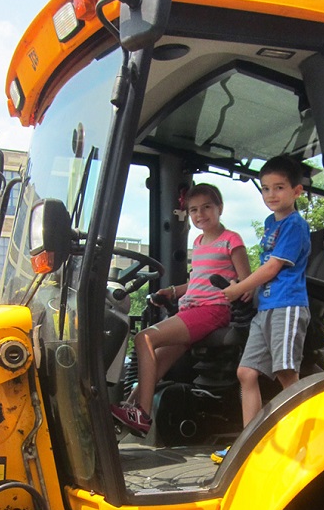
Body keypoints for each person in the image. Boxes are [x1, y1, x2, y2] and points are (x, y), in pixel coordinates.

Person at [111, 183, 251, 437]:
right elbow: (198, 279)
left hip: (212, 310)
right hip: (190, 310)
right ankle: (130, 408)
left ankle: (142, 414)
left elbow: (246, 282)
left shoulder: (231, 240)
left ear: (220, 207)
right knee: (158, 360)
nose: (200, 214)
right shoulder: (198, 242)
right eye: (194, 210)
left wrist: (236, 289)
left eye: (207, 207)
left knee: (145, 338)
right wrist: (174, 291)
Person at [214, 155, 310, 459]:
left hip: (287, 305)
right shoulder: (271, 224)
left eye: (279, 188)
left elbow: (271, 269)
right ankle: (250, 442)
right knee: (246, 372)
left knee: (286, 372)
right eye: (266, 188)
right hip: (266, 307)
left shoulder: (295, 225)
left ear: (297, 191)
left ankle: (302, 437)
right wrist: (248, 294)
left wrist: (239, 288)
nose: (271, 195)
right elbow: (264, 268)